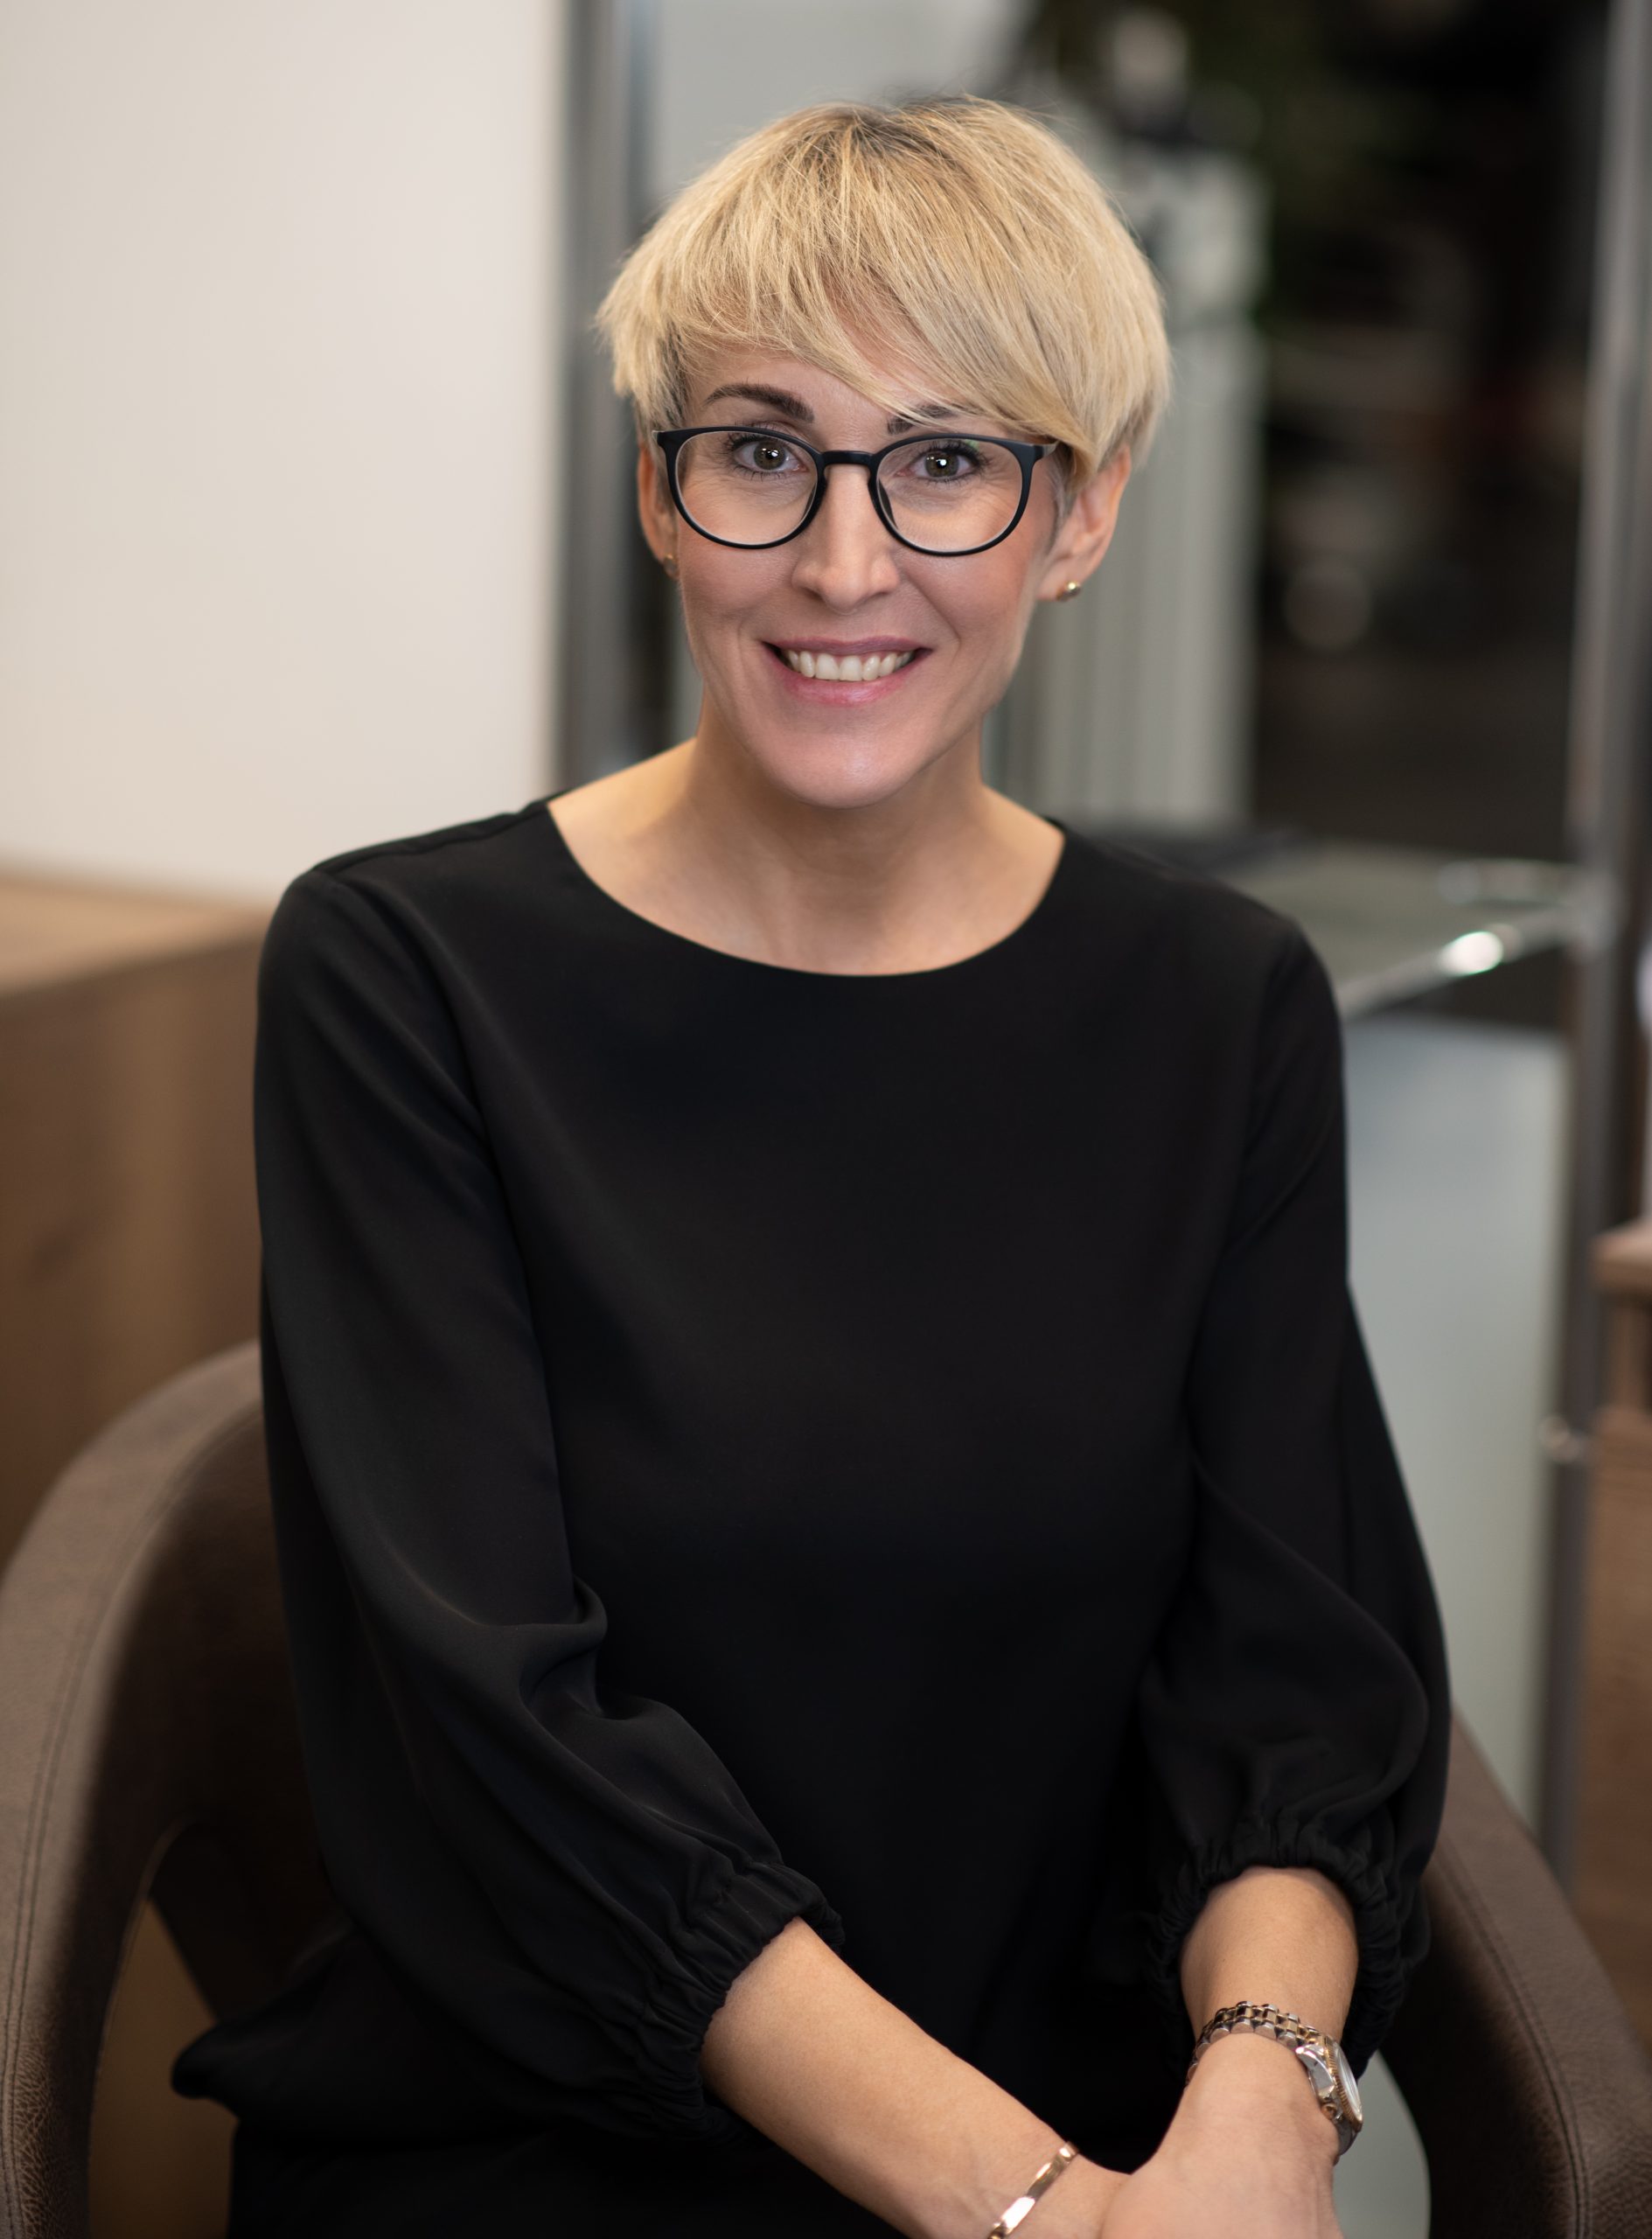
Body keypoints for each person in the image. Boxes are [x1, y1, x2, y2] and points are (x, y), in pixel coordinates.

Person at [173, 94, 1450, 2239]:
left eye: (945, 462)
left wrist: (1256, 2111)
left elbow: (1293, 1679)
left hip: (1104, 2147)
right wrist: (1028, 2202)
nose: (844, 564)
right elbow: (504, 1738)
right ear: (660, 493)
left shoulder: (1218, 1007)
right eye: (763, 449)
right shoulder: (405, 973)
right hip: (550, 2161)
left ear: (1082, 510)